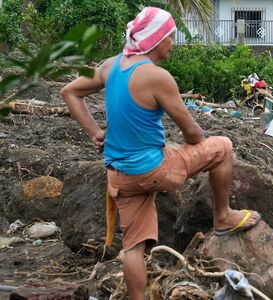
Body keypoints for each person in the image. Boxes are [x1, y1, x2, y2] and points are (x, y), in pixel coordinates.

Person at [60, 7, 261, 300]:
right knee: (223, 147)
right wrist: (183, 144)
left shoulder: (109, 66)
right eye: (170, 37)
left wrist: (95, 132)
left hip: (120, 175)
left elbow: (69, 91)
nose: (173, 43)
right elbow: (194, 135)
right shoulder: (157, 77)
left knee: (133, 248)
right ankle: (222, 216)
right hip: (154, 170)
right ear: (156, 39)